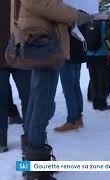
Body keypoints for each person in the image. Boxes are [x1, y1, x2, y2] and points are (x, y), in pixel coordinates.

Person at [14, 0, 90, 179]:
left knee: (36, 101)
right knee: (42, 104)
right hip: (44, 44)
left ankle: (31, 163)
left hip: (39, 41)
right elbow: (41, 3)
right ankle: (36, 169)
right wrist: (76, 15)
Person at [0, 0, 31, 153]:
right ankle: (31, 138)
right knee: (28, 97)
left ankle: (30, 138)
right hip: (20, 54)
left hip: (20, 55)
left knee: (27, 97)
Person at [54, 25, 87, 132]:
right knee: (75, 87)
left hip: (67, 56)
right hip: (77, 55)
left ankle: (72, 120)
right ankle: (78, 118)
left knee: (69, 90)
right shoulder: (79, 15)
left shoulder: (64, 17)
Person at [86, 10, 110, 111]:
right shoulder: (105, 23)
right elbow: (108, 38)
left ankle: (95, 102)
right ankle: (101, 103)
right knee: (102, 80)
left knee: (93, 79)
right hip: (102, 55)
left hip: (89, 55)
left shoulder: (90, 21)